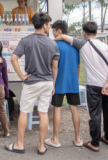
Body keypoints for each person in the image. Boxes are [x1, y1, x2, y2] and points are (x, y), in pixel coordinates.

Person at [5, 12, 60, 155]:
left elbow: (13, 58)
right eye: (49, 24)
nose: (49, 27)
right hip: (47, 82)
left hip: (31, 82)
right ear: (44, 25)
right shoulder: (52, 43)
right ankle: (41, 146)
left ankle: (19, 144)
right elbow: (55, 67)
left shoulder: (26, 41)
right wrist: (53, 84)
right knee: (43, 113)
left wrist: (22, 76)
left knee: (24, 111)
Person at [54, 21, 108, 152]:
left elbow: (64, 37)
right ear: (96, 32)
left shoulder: (83, 44)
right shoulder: (106, 46)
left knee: (95, 114)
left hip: (93, 85)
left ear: (84, 33)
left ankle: (95, 143)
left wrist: (56, 37)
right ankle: (107, 137)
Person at [44, 20, 83, 148]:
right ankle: (77, 138)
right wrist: (75, 81)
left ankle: (55, 139)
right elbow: (78, 66)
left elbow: (52, 66)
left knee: (57, 109)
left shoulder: (54, 45)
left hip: (58, 82)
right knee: (74, 109)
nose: (53, 33)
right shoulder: (75, 46)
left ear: (59, 31)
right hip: (72, 82)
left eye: (53, 31)